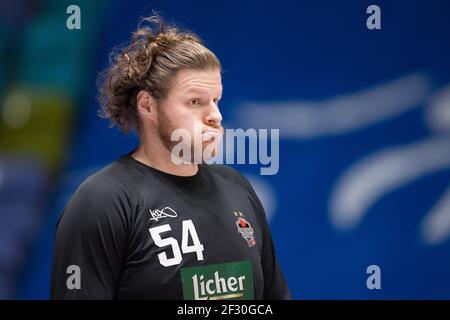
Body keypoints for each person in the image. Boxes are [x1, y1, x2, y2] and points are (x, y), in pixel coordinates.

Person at [50, 15, 291, 300]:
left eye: (216, 100)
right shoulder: (103, 201)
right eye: (195, 102)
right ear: (147, 105)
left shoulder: (237, 188)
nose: (215, 115)